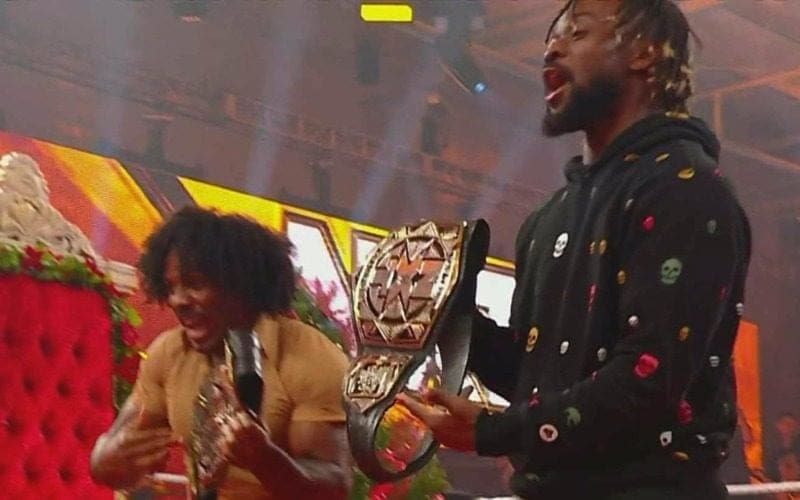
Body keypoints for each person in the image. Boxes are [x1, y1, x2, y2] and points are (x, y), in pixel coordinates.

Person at [398, 1, 751, 498]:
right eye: (551, 38)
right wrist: (447, 313)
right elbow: (537, 378)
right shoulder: (548, 220)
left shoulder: (686, 189)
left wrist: (493, 431)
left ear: (644, 53)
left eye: (577, 32)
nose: (552, 48)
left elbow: (646, 381)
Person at [90, 207, 351, 499]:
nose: (178, 301)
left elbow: (334, 488)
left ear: (241, 286)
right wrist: (105, 458)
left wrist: (266, 460)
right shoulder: (169, 352)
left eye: (195, 284)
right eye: (171, 287)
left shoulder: (311, 359)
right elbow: (114, 454)